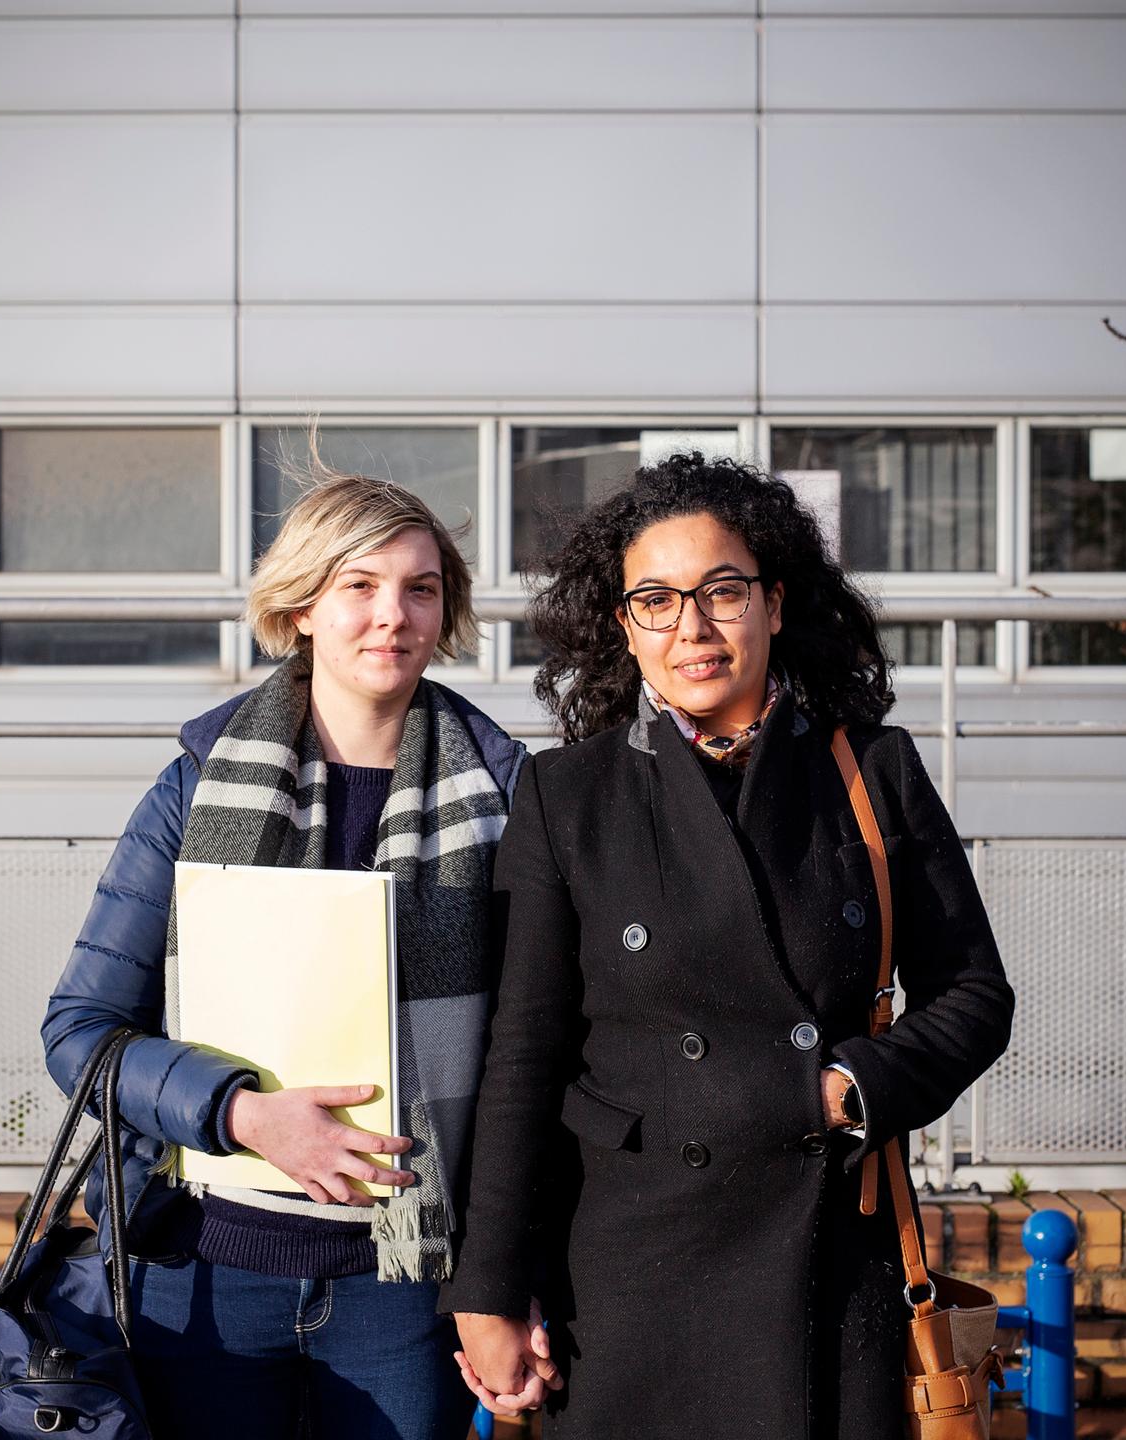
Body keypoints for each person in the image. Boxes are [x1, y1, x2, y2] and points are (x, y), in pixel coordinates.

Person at [441, 452, 1015, 1439]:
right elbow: (524, 1057)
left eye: (722, 592)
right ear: (624, 627)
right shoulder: (568, 794)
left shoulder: (873, 771)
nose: (693, 629)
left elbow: (973, 992)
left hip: (829, 1258)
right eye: (656, 601)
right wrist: (487, 1287)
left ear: (776, 603)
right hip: (630, 1277)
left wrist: (846, 1089)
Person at [42, 465, 526, 1439]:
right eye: (360, 584)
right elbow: (81, 1033)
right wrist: (245, 1113)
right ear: (302, 605)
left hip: (405, 1286)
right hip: (204, 1280)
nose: (392, 614)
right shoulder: (194, 787)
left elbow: (537, 1055)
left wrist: (514, 1280)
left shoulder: (509, 798)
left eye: (420, 589)